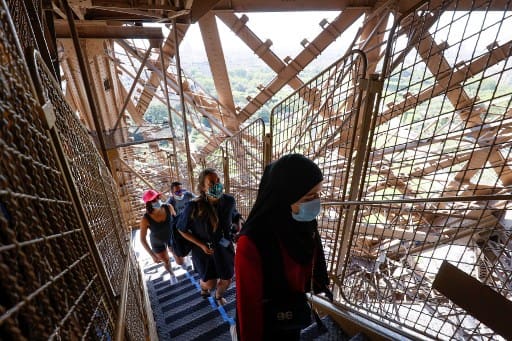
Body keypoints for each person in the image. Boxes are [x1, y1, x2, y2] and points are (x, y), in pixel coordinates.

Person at [235, 154, 331, 340]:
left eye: (319, 194)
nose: (316, 201)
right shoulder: (252, 242)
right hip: (269, 323)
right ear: (285, 195)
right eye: (310, 196)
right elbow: (248, 307)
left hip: (293, 313)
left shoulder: (304, 222)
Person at [176, 168, 239, 306]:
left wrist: (237, 226)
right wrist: (201, 245)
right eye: (211, 183)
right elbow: (181, 229)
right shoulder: (194, 206)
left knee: (227, 279)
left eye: (218, 181)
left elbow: (235, 216)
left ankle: (218, 296)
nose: (217, 185)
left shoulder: (228, 201)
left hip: (224, 247)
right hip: (204, 251)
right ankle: (204, 289)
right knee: (210, 283)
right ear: (203, 188)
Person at [139, 189, 180, 284]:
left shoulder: (168, 207)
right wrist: (152, 255)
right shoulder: (145, 219)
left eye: (157, 197)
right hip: (157, 241)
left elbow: (177, 221)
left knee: (177, 255)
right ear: (148, 204)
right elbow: (142, 239)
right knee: (166, 261)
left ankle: (177, 257)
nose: (157, 201)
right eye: (153, 200)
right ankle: (172, 274)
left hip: (170, 236)